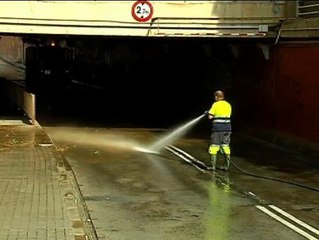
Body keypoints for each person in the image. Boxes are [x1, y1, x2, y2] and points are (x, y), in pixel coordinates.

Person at [206, 90, 232, 171]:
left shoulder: (215, 104)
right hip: (228, 128)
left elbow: (210, 117)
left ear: (216, 97)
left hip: (218, 128)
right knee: (225, 146)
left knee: (214, 146)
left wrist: (208, 113)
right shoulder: (228, 105)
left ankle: (212, 167)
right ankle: (226, 166)